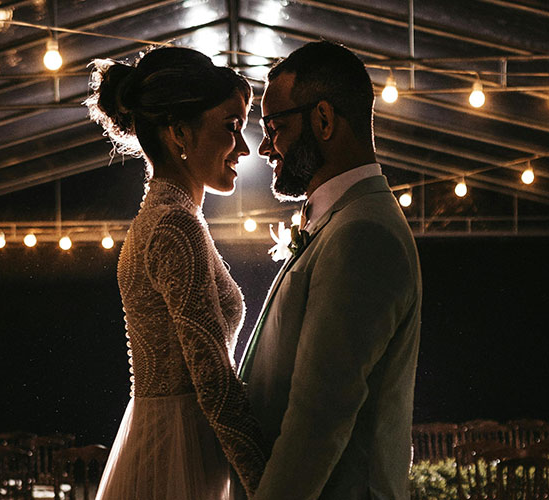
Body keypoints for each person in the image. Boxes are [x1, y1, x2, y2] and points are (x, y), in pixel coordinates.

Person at [236, 41, 422, 499]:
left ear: (323, 119)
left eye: (274, 126)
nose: (263, 147)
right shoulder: (344, 220)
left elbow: (317, 421)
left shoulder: (363, 235)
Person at [85, 46, 266, 500]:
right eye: (230, 128)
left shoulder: (170, 214)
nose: (243, 148)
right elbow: (212, 377)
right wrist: (271, 483)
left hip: (176, 445)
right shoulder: (173, 223)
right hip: (177, 459)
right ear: (179, 133)